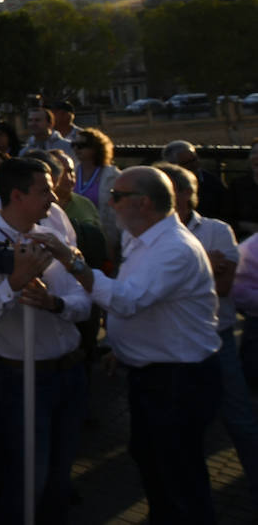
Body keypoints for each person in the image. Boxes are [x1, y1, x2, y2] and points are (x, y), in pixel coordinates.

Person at [33, 165, 222, 524]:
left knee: (179, 477)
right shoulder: (144, 239)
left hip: (177, 381)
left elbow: (127, 300)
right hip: (158, 374)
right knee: (155, 464)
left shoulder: (174, 248)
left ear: (144, 202)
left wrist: (71, 260)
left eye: (117, 196)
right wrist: (122, 349)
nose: (111, 202)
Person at [0, 157, 90, 523]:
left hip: (69, 371)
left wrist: (55, 303)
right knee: (25, 477)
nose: (53, 197)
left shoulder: (52, 233)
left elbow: (83, 301)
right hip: (21, 380)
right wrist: (14, 283)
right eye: (43, 190)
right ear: (17, 195)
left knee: (60, 473)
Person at [154, 160, 258, 499]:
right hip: (172, 344)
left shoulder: (217, 231)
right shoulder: (144, 232)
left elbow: (225, 287)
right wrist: (203, 270)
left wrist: (169, 282)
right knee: (183, 429)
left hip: (217, 339)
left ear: (185, 194)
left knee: (240, 420)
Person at [72, 127, 122, 259]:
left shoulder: (113, 176)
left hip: (104, 237)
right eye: (74, 145)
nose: (77, 149)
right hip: (76, 237)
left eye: (82, 145)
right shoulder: (71, 173)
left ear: (96, 148)